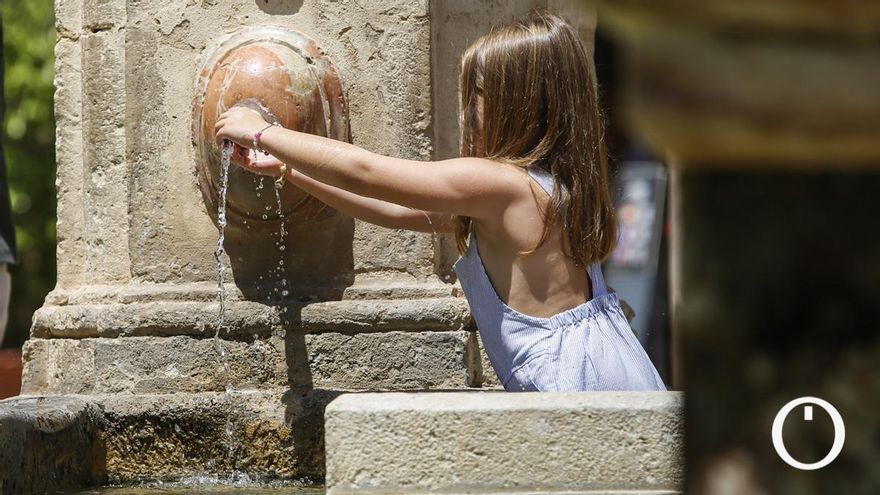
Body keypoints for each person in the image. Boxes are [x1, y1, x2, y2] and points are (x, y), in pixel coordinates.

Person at [214, 12, 666, 392]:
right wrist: (287, 171)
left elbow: (368, 173)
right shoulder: (549, 186)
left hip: (572, 387)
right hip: (616, 373)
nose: (467, 109)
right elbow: (391, 208)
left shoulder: (498, 184)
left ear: (520, 103)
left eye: (478, 94)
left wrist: (266, 131)